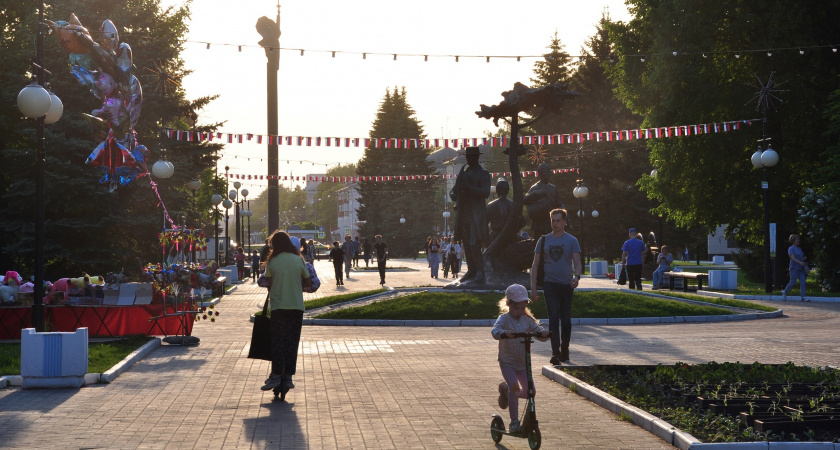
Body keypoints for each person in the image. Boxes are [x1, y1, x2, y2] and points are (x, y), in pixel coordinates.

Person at [492, 284, 550, 434]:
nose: (520, 311)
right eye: (516, 308)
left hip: (524, 363)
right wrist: (504, 333)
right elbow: (495, 331)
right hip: (508, 362)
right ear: (508, 304)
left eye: (522, 308)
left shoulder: (527, 320)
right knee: (515, 388)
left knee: (531, 391)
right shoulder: (503, 319)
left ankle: (506, 391)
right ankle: (514, 422)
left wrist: (544, 333)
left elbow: (537, 332)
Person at [529, 208, 581, 365]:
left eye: (558, 220)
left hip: (566, 285)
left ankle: (565, 350)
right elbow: (535, 265)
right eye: (553, 220)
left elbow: (577, 263)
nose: (555, 223)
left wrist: (576, 277)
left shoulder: (572, 240)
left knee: (565, 320)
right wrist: (533, 287)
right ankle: (555, 352)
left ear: (564, 222)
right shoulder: (543, 240)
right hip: (549, 284)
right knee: (553, 318)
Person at [261, 231, 311, 392]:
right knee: (292, 343)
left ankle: (275, 376)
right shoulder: (298, 259)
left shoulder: (273, 261)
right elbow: (308, 280)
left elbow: (266, 280)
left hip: (278, 307)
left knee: (277, 342)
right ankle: (288, 377)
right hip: (296, 307)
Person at [450, 146, 491, 283]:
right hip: (464, 213)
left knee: (474, 243)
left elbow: (485, 192)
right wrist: (453, 194)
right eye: (467, 156)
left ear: (477, 157)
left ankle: (480, 271)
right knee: (466, 244)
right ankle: (471, 270)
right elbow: (454, 190)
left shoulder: (483, 173)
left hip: (476, 214)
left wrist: (468, 188)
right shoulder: (464, 172)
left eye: (472, 156)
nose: (469, 159)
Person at [524, 162, 565, 238]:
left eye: (549, 170)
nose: (549, 173)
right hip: (540, 222)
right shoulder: (535, 187)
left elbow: (558, 203)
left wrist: (563, 210)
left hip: (552, 221)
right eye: (546, 171)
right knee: (540, 244)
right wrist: (535, 194)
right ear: (541, 173)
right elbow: (525, 200)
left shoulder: (553, 188)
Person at [782, 234, 809, 302]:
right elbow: (792, 258)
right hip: (794, 268)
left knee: (803, 282)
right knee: (793, 282)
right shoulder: (791, 248)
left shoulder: (799, 249)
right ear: (793, 241)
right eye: (797, 239)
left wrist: (803, 259)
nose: (798, 241)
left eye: (798, 239)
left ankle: (803, 296)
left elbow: (799, 258)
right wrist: (800, 262)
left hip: (801, 268)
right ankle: (785, 291)